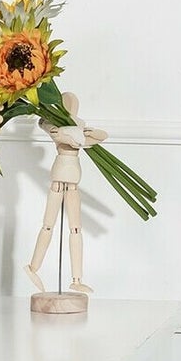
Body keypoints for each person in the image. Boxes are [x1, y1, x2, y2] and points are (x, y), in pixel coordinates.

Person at [26, 94, 106, 295]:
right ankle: (33, 267)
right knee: (48, 224)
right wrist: (81, 134)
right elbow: (62, 134)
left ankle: (76, 279)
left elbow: (101, 136)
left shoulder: (78, 128)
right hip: (59, 175)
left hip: (73, 178)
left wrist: (89, 132)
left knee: (76, 228)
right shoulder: (58, 128)